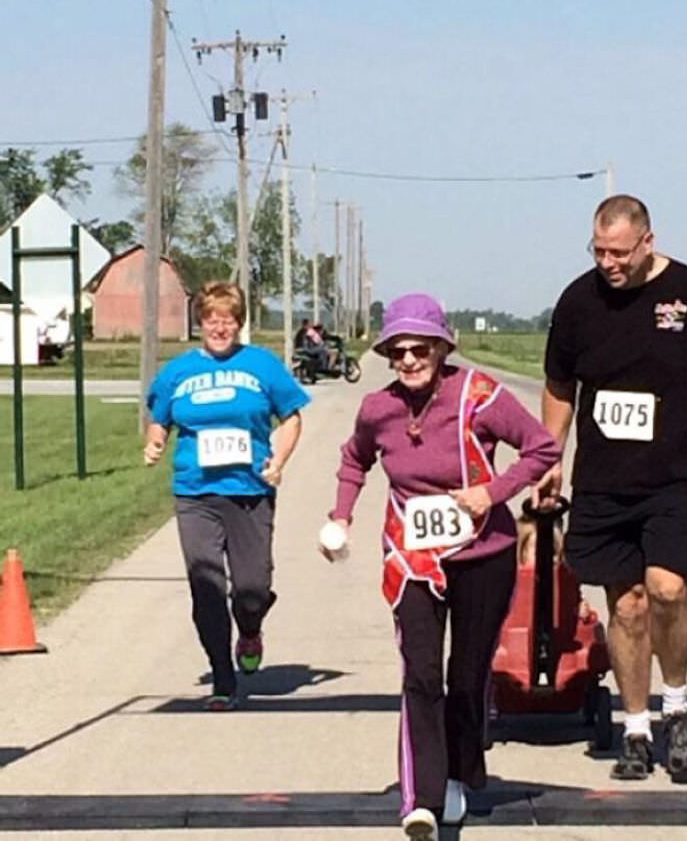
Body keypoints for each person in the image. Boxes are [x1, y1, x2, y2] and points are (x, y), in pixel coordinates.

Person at [321, 293, 560, 840]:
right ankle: (421, 798)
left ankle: (458, 771)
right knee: (422, 674)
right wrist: (341, 516)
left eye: (419, 348)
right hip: (412, 559)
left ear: (441, 346)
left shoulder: (479, 396)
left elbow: (541, 449)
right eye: (398, 350)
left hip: (484, 554)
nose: (408, 359)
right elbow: (354, 460)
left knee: (467, 676)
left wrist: (493, 491)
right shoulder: (378, 410)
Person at [533, 194, 687, 780]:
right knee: (628, 604)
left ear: (648, 241)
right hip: (605, 479)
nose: (608, 263)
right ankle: (638, 727)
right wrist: (551, 456)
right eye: (598, 251)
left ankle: (677, 706)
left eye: (619, 252)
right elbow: (559, 382)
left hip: (678, 476)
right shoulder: (579, 301)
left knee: (668, 588)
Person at [143, 281, 310, 710]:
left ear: (240, 323)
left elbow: (291, 418)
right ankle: (222, 677)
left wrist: (279, 460)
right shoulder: (177, 373)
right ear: (200, 322)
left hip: (250, 491)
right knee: (206, 586)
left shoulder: (261, 365)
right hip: (196, 493)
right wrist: (155, 441)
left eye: (229, 319)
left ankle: (250, 626)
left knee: (252, 587)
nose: (220, 327)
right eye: (212, 319)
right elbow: (159, 419)